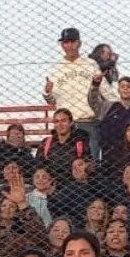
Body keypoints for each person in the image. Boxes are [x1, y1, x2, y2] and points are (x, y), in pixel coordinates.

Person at [44, 28, 113, 161]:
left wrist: (118, 107)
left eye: (72, 42)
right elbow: (51, 100)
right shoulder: (55, 68)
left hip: (88, 122)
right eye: (65, 42)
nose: (69, 45)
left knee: (90, 164)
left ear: (79, 43)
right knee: (65, 163)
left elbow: (107, 92)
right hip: (65, 125)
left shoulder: (90, 64)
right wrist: (47, 92)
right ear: (62, 45)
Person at [90, 75, 130, 159]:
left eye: (129, 87)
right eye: (122, 86)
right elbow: (93, 101)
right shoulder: (107, 106)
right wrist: (95, 85)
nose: (125, 89)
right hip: (110, 154)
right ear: (118, 89)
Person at [35, 108, 92, 185]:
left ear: (71, 123)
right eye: (56, 121)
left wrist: (83, 168)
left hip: (75, 185)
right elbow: (38, 166)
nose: (60, 124)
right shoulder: (46, 142)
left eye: (63, 121)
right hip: (50, 185)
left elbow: (89, 164)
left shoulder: (80, 142)